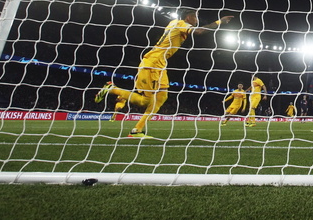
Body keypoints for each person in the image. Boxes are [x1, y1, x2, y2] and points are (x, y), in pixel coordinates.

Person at [95, 8, 232, 138]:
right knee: (145, 102)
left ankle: (137, 129)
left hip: (160, 65)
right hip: (152, 64)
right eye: (195, 16)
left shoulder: (173, 23)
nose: (197, 19)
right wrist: (219, 21)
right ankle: (113, 89)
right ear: (188, 17)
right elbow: (199, 32)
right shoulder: (180, 23)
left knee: (162, 97)